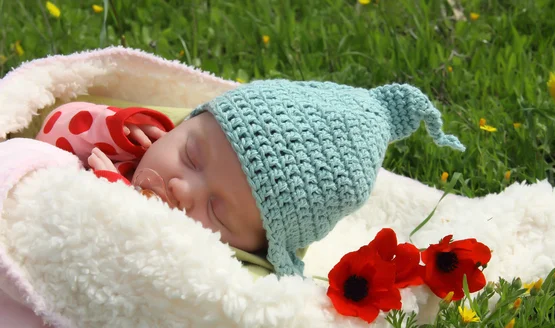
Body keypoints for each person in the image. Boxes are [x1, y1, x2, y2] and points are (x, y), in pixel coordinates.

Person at [37, 79, 465, 277]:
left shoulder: (225, 274)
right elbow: (52, 128)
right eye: (190, 154)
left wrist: (117, 197)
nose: (182, 189)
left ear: (260, 249)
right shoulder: (137, 144)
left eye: (218, 211)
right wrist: (119, 126)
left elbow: (134, 259)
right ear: (187, 122)